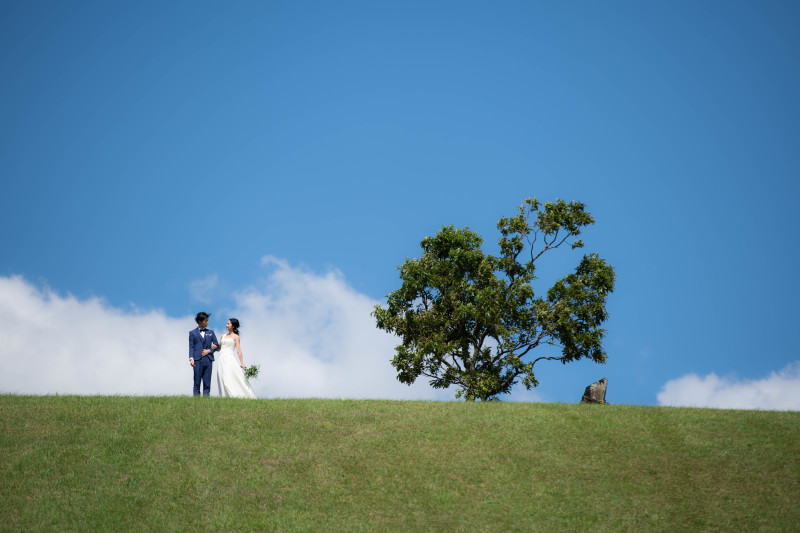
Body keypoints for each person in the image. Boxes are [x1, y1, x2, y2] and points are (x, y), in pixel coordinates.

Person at [216, 318, 256, 399]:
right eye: (227, 323)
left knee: (228, 377)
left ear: (233, 326)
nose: (226, 325)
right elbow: (218, 348)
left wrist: (242, 363)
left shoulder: (236, 337)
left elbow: (239, 350)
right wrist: (214, 347)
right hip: (221, 358)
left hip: (229, 358)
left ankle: (233, 396)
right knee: (221, 377)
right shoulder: (223, 336)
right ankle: (225, 397)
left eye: (228, 324)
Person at [189, 312, 219, 396]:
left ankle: (206, 400)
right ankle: (196, 401)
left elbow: (217, 345)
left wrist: (209, 350)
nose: (207, 323)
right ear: (200, 321)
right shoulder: (192, 333)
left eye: (207, 321)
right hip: (197, 360)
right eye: (205, 321)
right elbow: (191, 347)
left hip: (208, 359)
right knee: (197, 382)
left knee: (207, 382)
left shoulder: (211, 332)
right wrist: (191, 359)